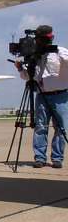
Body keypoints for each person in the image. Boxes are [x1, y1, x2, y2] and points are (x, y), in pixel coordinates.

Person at [15, 25, 68, 169]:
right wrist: (21, 68)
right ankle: (40, 158)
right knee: (40, 127)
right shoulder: (34, 55)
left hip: (61, 96)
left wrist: (54, 50)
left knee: (61, 128)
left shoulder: (60, 51)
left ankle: (57, 158)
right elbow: (29, 77)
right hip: (41, 95)